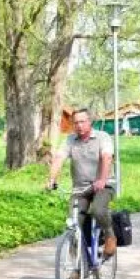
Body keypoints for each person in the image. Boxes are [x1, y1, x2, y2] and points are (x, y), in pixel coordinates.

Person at [48, 108, 117, 262]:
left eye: (82, 121)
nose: (79, 125)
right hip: (80, 189)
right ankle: (78, 266)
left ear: (89, 122)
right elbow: (59, 158)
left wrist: (102, 180)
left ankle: (110, 236)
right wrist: (51, 179)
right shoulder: (70, 140)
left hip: (103, 186)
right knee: (73, 225)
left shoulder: (102, 137)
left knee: (99, 210)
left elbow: (107, 157)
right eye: (76, 123)